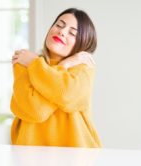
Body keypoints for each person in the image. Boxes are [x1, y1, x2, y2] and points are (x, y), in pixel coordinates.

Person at [10, 8, 101, 148]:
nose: (62, 32)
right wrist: (62, 66)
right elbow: (35, 110)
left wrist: (37, 64)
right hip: (29, 156)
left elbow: (66, 94)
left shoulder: (83, 67)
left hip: (78, 156)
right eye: (59, 25)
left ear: (82, 42)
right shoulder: (23, 62)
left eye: (72, 33)